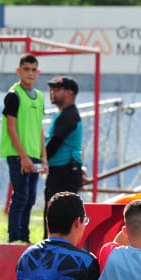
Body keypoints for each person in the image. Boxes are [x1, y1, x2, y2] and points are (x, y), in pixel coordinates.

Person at [1, 53, 45, 244]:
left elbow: (39, 128)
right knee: (20, 197)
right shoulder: (13, 95)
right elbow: (11, 128)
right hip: (18, 155)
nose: (30, 73)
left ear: (38, 72)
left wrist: (44, 157)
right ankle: (15, 238)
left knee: (30, 199)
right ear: (18, 71)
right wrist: (23, 157)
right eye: (26, 69)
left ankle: (25, 239)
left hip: (35, 156)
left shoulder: (41, 96)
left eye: (33, 70)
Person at [42, 77, 83, 214]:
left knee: (59, 213)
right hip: (59, 170)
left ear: (69, 93)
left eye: (57, 89)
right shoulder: (62, 114)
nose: (52, 92)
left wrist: (38, 160)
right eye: (51, 89)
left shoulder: (68, 116)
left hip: (64, 172)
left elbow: (55, 143)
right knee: (53, 210)